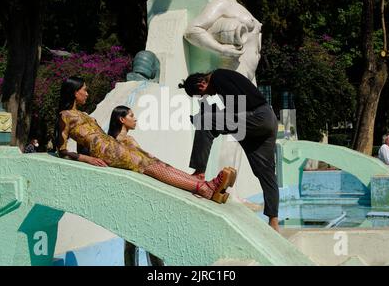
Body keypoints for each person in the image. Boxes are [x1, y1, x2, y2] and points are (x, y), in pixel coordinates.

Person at [55, 76, 237, 205]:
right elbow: (61, 150)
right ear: (74, 92)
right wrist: (88, 160)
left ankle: (201, 183)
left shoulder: (84, 115)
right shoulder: (65, 116)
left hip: (111, 146)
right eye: (84, 90)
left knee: (155, 161)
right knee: (147, 165)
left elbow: (83, 144)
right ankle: (204, 189)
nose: (87, 93)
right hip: (106, 152)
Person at [178, 68, 280, 232]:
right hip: (267, 120)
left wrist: (206, 118)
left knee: (205, 122)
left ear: (202, 83)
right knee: (265, 173)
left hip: (257, 118)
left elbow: (234, 109)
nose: (208, 96)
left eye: (202, 94)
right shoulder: (224, 80)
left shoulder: (218, 77)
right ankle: (274, 221)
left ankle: (199, 172)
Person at [107, 105, 164, 266]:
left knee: (131, 240)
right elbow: (146, 160)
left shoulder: (111, 141)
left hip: (125, 194)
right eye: (131, 116)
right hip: (137, 193)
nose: (135, 118)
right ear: (122, 119)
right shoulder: (126, 140)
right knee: (150, 239)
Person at [184, 0, 262, 84]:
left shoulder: (240, 7)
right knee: (234, 102)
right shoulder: (221, 4)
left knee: (242, 102)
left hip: (249, 73)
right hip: (235, 70)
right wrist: (222, 49)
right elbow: (192, 31)